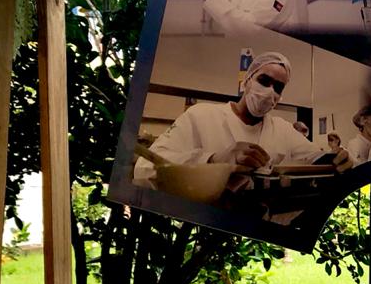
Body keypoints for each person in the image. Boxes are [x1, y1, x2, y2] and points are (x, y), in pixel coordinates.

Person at [133, 52, 350, 187]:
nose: (270, 91)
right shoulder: (200, 116)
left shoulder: (282, 129)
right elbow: (144, 168)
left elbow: (315, 156)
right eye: (264, 81)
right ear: (246, 82)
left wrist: (339, 159)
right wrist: (214, 160)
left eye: (278, 87)